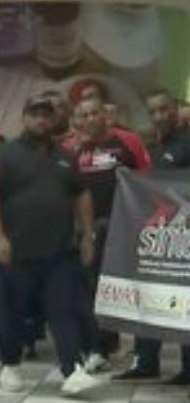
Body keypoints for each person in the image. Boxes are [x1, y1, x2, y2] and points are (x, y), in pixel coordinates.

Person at [0, 95, 104, 398]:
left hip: (59, 252)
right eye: (35, 114)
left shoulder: (66, 156)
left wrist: (87, 236)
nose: (41, 120)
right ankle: (9, 365)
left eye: (46, 115)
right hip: (17, 251)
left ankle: (72, 370)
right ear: (24, 117)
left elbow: (81, 194)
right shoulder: (4, 155)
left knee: (64, 310)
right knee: (13, 311)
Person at [116, 89, 190, 384]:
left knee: (184, 299)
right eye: (154, 111)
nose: (160, 116)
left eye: (165, 109)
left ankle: (188, 369)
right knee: (149, 293)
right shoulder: (151, 144)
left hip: (182, 235)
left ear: (176, 109)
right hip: (154, 232)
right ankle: (145, 361)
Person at [72, 96, 151, 371]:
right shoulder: (76, 148)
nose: (91, 119)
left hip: (127, 226)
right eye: (85, 115)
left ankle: (144, 354)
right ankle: (100, 347)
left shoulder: (128, 141)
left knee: (132, 288)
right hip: (92, 229)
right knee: (94, 289)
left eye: (95, 113)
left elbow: (147, 179)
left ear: (107, 115)